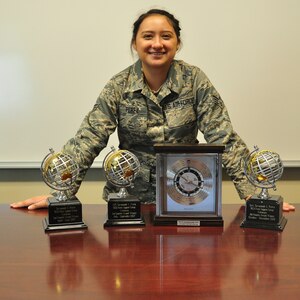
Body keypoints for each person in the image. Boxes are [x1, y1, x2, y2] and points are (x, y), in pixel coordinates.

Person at [10, 9, 295, 212]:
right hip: (128, 204)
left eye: (166, 36)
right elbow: (89, 138)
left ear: (177, 43)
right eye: (148, 36)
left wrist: (255, 195)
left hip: (187, 200)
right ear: (135, 43)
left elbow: (223, 136)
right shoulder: (119, 85)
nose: (157, 44)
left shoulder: (194, 80)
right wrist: (61, 192)